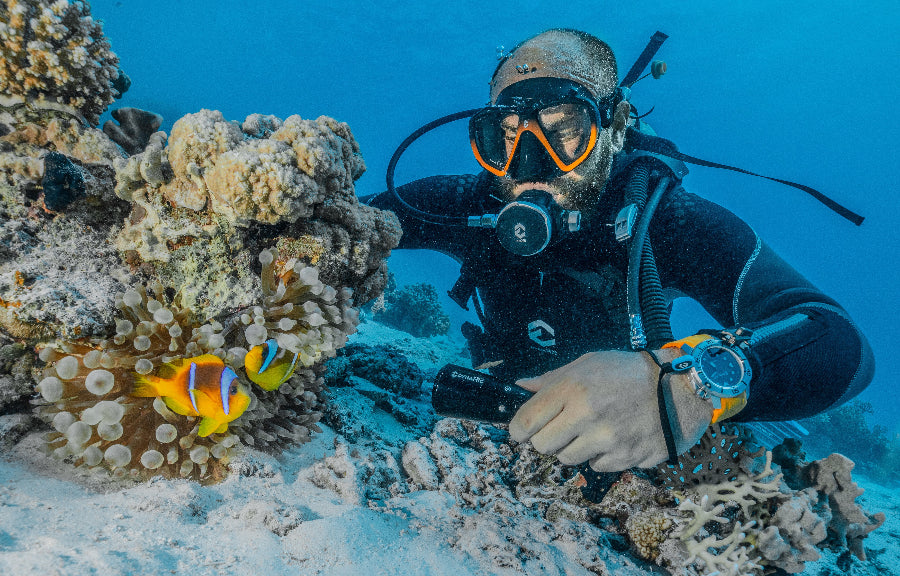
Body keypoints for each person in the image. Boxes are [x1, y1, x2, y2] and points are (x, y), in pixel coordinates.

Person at [367, 28, 874, 473]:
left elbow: (839, 340)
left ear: (614, 127)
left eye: (564, 130)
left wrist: (688, 385)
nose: (527, 165)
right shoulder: (465, 202)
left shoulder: (669, 221)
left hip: (627, 448)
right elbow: (342, 225)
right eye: (503, 137)